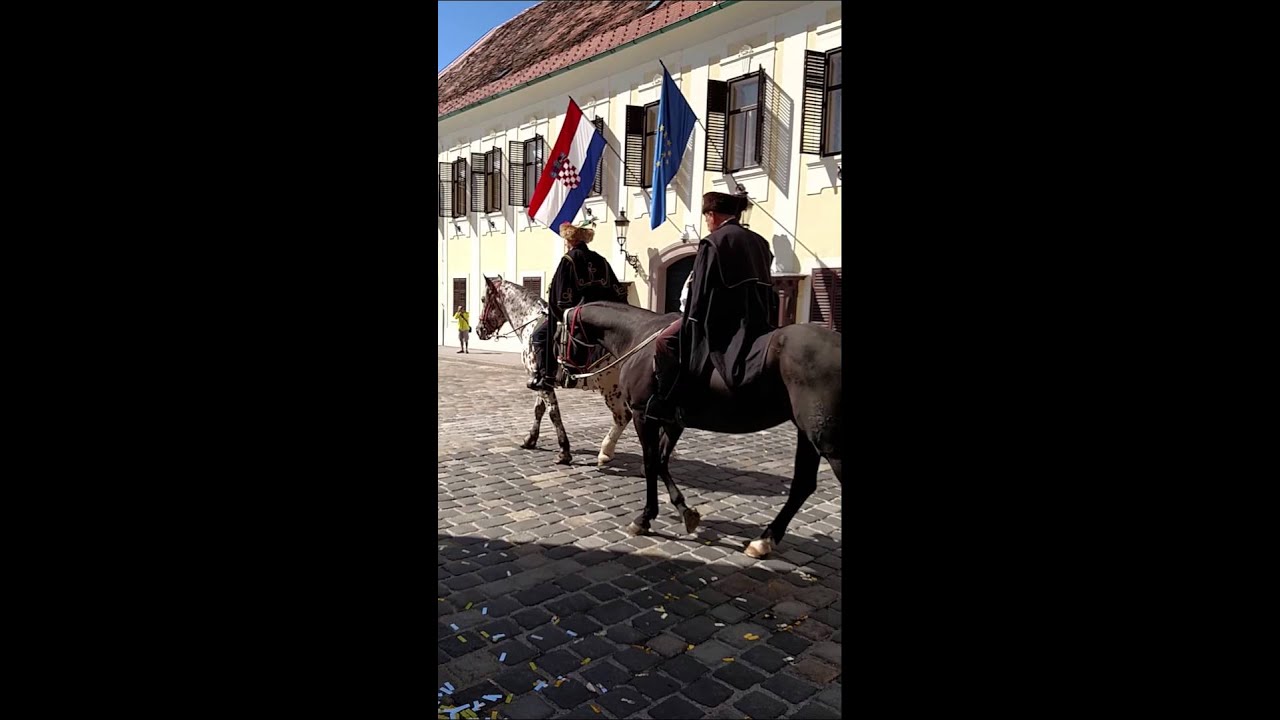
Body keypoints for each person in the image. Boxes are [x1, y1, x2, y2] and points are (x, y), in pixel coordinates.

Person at [646, 191, 776, 422]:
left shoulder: (713, 243)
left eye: (706, 216)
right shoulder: (760, 241)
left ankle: (669, 401)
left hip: (722, 322)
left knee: (663, 341)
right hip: (759, 320)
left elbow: (700, 292)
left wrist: (691, 322)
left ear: (713, 215)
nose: (706, 221)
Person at [527, 221, 628, 390]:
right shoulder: (600, 260)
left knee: (539, 335)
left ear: (571, 240)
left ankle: (547, 376)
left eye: (566, 240)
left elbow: (560, 298)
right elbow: (617, 290)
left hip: (578, 316)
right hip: (604, 315)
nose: (565, 243)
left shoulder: (568, 260)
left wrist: (557, 313)